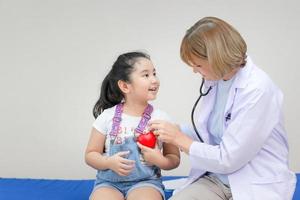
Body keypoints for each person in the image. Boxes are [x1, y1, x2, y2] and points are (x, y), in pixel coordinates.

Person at [149, 17, 296, 200]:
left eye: (198, 65)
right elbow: (210, 132)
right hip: (216, 180)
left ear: (217, 58)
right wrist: (175, 130)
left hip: (254, 183)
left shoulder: (258, 90)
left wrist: (178, 139)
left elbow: (228, 159)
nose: (194, 71)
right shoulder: (216, 81)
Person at [85, 51, 180, 200]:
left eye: (154, 73)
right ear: (125, 86)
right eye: (146, 75)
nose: (154, 80)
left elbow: (174, 158)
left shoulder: (162, 118)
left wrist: (159, 160)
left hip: (146, 183)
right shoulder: (107, 117)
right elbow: (90, 155)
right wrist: (108, 162)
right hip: (109, 184)